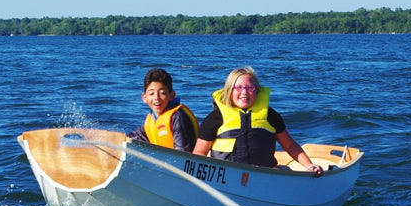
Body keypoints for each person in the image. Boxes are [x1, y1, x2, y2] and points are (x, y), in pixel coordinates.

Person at [192, 66, 323, 176]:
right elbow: (199, 152)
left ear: (257, 91)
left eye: (250, 88)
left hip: (266, 174)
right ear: (229, 91)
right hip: (228, 176)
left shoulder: (270, 115)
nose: (245, 92)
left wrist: (309, 166)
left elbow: (290, 146)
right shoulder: (215, 118)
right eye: (239, 88)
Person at [127, 68, 198, 151]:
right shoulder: (152, 119)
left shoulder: (177, 117)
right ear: (144, 97)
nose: (156, 98)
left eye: (162, 93)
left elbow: (183, 151)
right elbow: (133, 138)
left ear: (172, 95)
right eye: (151, 93)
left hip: (180, 161)